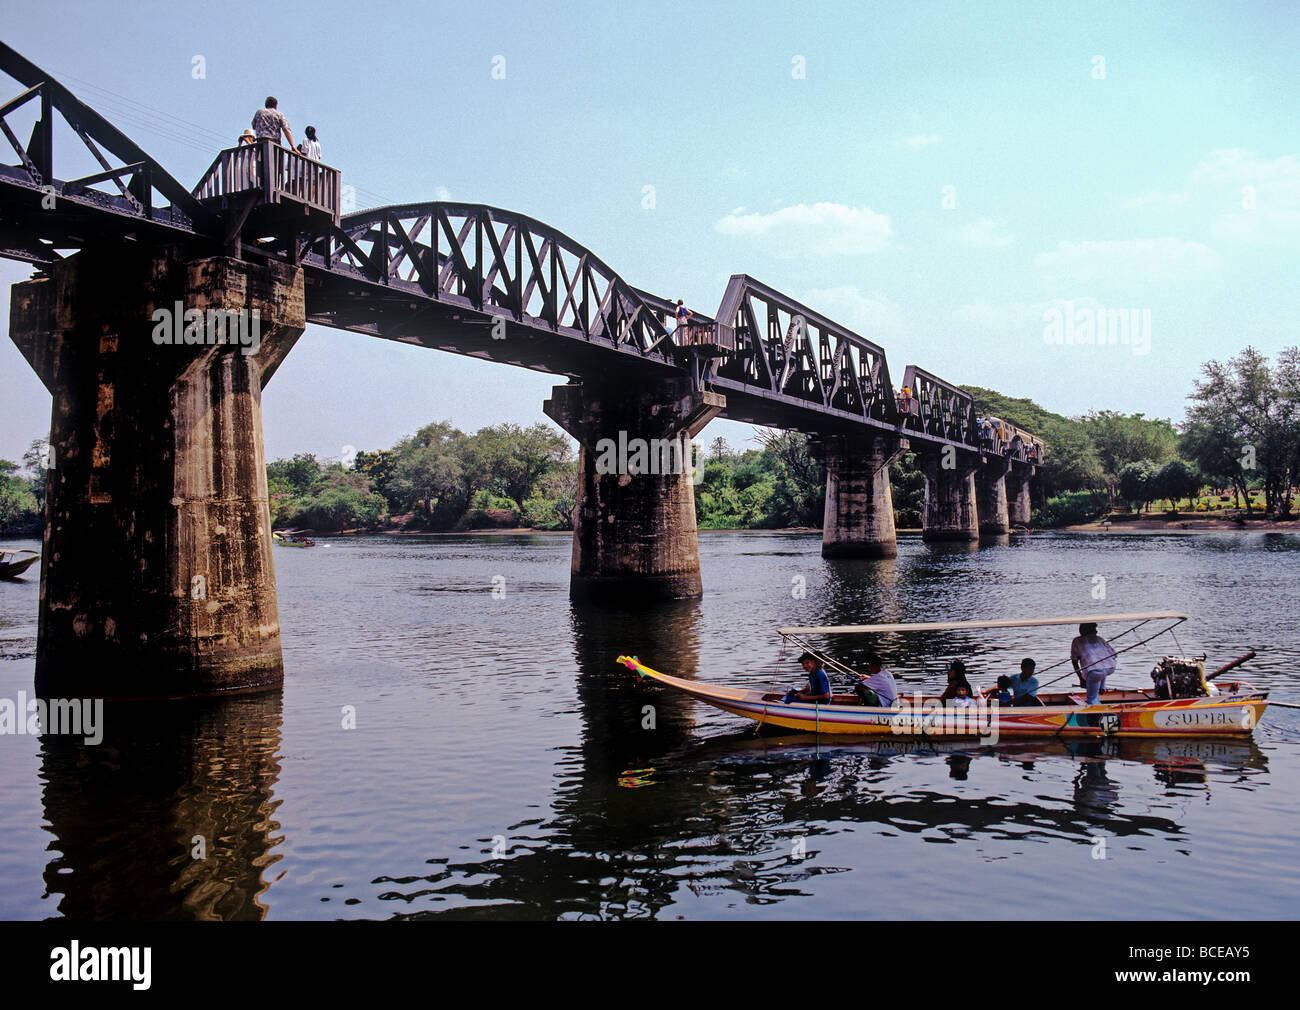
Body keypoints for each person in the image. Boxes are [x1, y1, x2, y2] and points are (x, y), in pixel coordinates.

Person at [1071, 623, 1117, 704]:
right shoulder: (1099, 639)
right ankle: (1101, 687)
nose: (1096, 631)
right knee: (1100, 670)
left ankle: (1097, 714)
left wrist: (1081, 679)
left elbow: (1074, 661)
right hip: (1110, 668)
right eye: (1095, 629)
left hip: (1095, 671)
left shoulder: (1077, 640)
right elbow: (1113, 655)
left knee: (1092, 698)